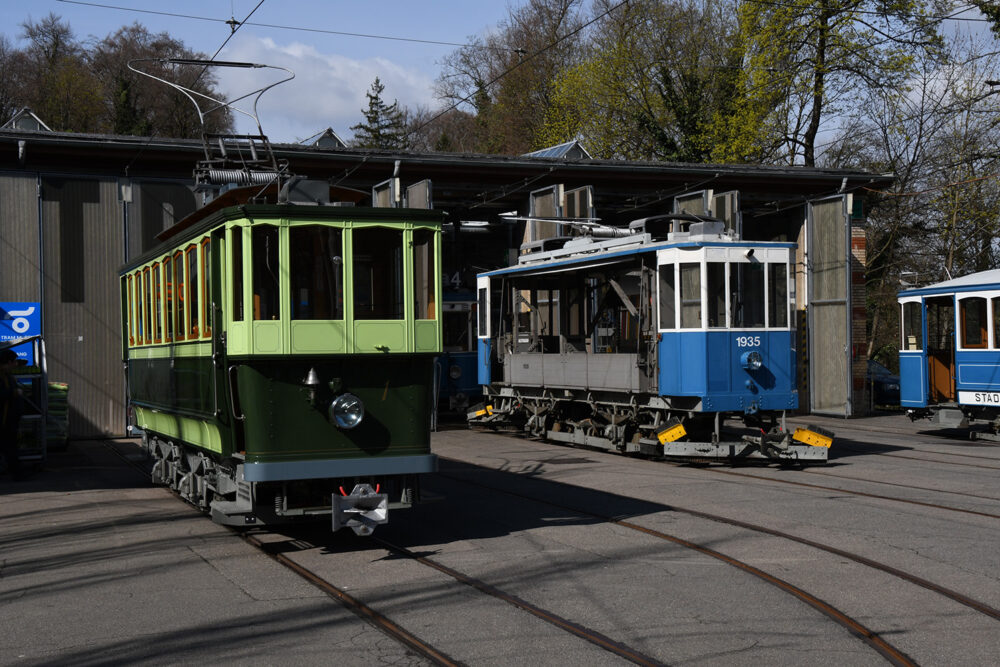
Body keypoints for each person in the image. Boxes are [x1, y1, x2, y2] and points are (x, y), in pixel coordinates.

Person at [0, 348, 27, 480]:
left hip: (9, 419)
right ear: (8, 362)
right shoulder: (2, 377)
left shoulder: (7, 375)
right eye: (14, 362)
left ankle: (16, 472)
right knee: (10, 447)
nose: (16, 365)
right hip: (4, 420)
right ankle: (17, 473)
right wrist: (15, 393)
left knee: (10, 447)